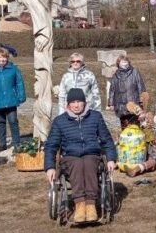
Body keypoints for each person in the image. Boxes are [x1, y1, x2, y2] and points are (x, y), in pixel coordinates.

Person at [45, 88, 117, 224]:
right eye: (73, 102)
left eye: (79, 101)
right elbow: (51, 146)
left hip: (92, 154)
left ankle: (90, 205)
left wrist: (111, 159)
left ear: (84, 103)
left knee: (88, 162)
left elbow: (106, 140)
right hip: (70, 157)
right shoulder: (59, 121)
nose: (76, 105)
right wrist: (50, 167)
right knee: (77, 163)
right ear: (68, 105)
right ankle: (79, 205)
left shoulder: (95, 117)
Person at [107, 53, 148, 128]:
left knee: (136, 127)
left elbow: (140, 87)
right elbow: (112, 90)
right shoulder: (115, 75)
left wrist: (142, 101)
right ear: (118, 63)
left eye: (126, 62)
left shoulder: (135, 72)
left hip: (134, 104)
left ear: (129, 63)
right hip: (121, 106)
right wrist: (111, 103)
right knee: (125, 128)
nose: (124, 63)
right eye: (122, 62)